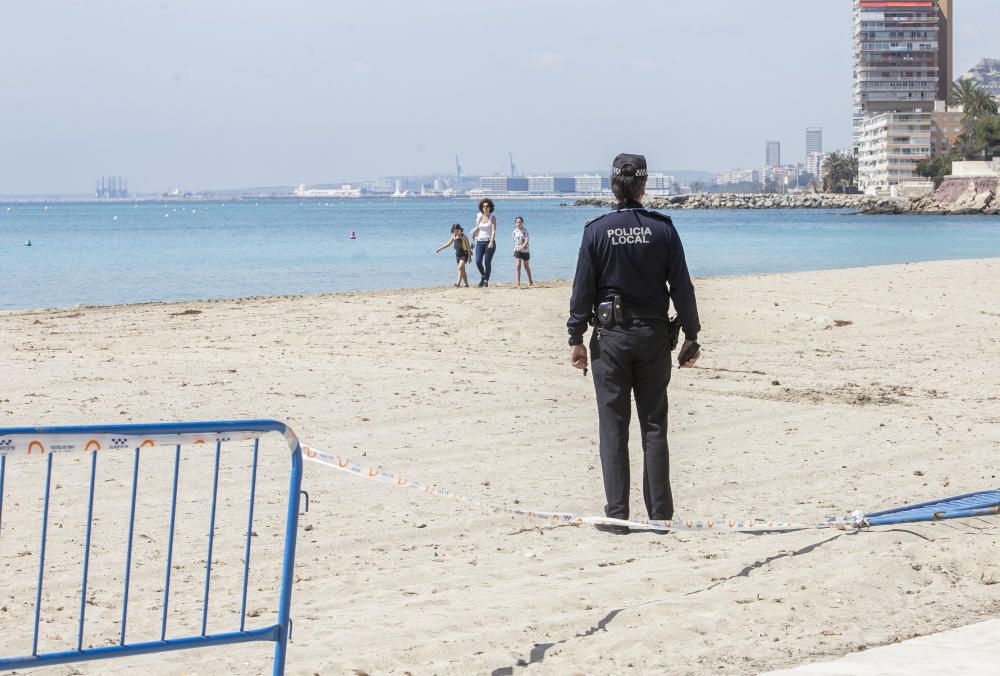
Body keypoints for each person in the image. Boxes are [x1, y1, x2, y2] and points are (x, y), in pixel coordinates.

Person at [567, 153, 702, 536]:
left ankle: (618, 516)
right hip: (654, 337)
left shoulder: (596, 231)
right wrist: (692, 334)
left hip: (611, 339)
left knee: (613, 427)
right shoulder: (663, 229)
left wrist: (575, 337)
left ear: (613, 186)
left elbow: (582, 290)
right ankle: (660, 516)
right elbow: (682, 286)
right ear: (644, 187)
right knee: (654, 426)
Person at [470, 198, 497, 287]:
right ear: (482, 208)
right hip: (480, 242)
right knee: (478, 261)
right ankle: (483, 276)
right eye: (484, 206)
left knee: (487, 262)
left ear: (490, 207)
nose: (485, 208)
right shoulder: (480, 217)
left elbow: (493, 231)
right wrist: (473, 241)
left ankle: (485, 280)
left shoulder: (492, 218)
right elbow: (476, 230)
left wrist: (491, 242)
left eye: (487, 206)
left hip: (489, 242)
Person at [512, 216, 533, 287]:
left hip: (525, 251)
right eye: (517, 222)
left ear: (522, 223)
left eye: (520, 222)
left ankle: (530, 280)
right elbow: (514, 242)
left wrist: (522, 247)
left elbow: (527, 241)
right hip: (518, 251)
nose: (518, 223)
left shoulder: (525, 231)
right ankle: (518, 283)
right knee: (518, 265)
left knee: (526, 266)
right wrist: (514, 250)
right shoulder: (514, 231)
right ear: (515, 223)